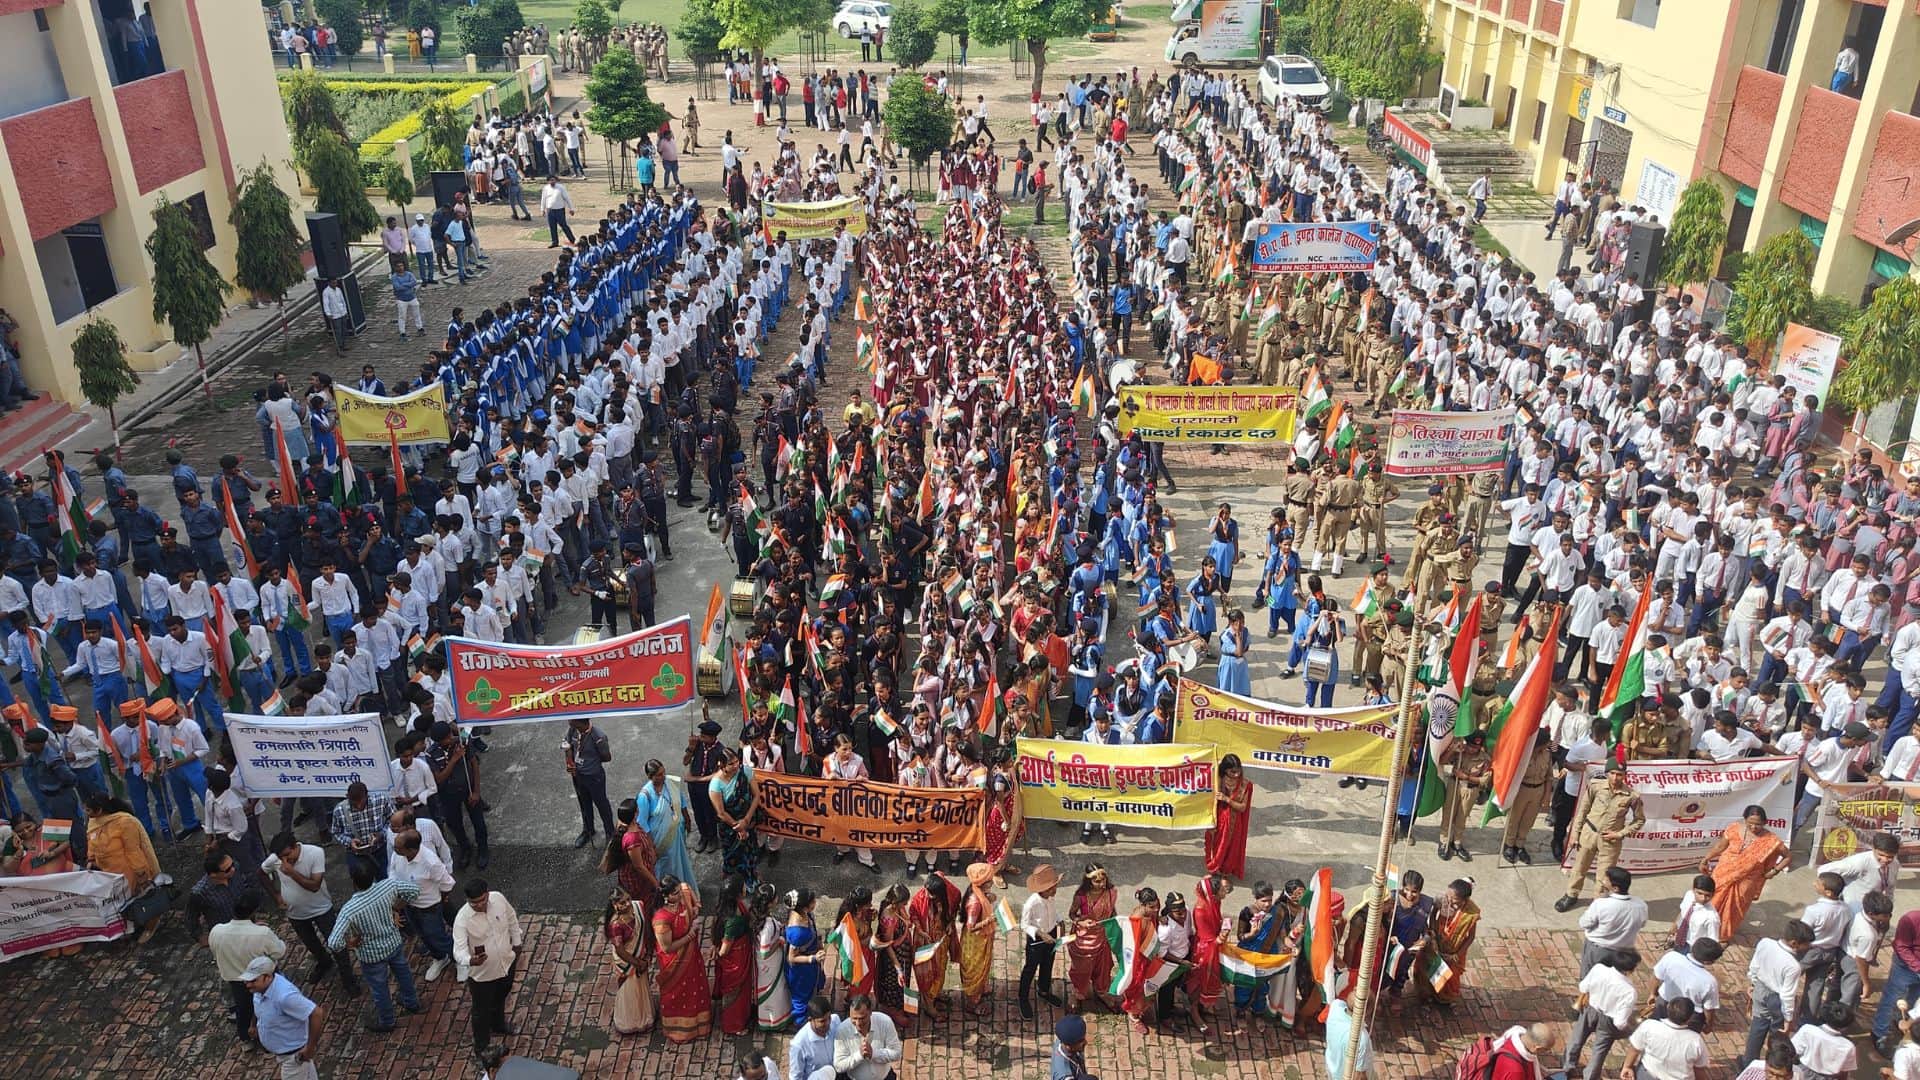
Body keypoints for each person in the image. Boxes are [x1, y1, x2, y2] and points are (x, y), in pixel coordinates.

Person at [326, 860, 424, 1033]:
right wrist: (396, 908)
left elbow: (334, 942)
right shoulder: (388, 886)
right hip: (393, 943)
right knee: (404, 974)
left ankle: (387, 1021)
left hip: (371, 955)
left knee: (380, 989)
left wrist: (349, 944)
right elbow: (414, 891)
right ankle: (412, 1002)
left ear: (353, 881)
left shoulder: (349, 909)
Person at [262, 830, 356, 994]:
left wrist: (291, 873)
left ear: (295, 846)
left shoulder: (315, 853)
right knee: (311, 943)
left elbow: (314, 886)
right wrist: (276, 895)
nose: (285, 860)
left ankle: (348, 977)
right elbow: (261, 872)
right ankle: (324, 962)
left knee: (336, 943)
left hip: (321, 908)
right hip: (295, 913)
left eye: (287, 855)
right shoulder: (276, 859)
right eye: (281, 857)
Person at [1554, 759, 1646, 911]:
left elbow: (1640, 820)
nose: (1615, 778)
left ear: (1625, 775)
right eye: (1612, 773)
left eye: (1619, 775)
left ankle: (1598, 903)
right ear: (1607, 773)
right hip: (1589, 833)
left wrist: (1620, 834)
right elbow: (1582, 812)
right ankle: (1571, 895)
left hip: (1610, 840)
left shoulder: (1632, 796)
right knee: (1579, 867)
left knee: (1604, 876)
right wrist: (1575, 835)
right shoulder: (1595, 786)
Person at [1697, 802, 1790, 939]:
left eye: (1758, 824)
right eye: (1750, 823)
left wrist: (1774, 871)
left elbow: (1788, 857)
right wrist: (1706, 859)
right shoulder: (1734, 829)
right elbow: (1720, 847)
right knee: (1713, 901)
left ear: (1765, 822)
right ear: (1744, 819)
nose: (1753, 827)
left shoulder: (1771, 840)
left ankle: (1723, 936)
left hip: (1747, 880)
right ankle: (1703, 929)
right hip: (1723, 874)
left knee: (1735, 907)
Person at [453, 879, 524, 1055]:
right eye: (473, 902)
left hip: (507, 963)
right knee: (481, 1011)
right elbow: (458, 950)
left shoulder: (498, 899)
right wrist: (470, 960)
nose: (479, 905)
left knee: (501, 996)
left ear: (487, 893)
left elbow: (511, 918)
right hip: (482, 976)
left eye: (482, 900)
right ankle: (482, 1046)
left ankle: (498, 1025)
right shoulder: (462, 920)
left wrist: (517, 942)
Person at [208, 892, 287, 1043]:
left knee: (242, 1008)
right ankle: (268, 1038)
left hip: (235, 979)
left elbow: (214, 950)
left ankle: (245, 1039)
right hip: (262, 979)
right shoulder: (262, 933)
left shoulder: (217, 931)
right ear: (254, 912)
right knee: (269, 1007)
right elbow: (279, 951)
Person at [83, 790, 161, 941]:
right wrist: (91, 860)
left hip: (128, 870)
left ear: (99, 810)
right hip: (109, 873)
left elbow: (133, 850)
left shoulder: (125, 822)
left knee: (140, 897)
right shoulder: (93, 822)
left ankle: (151, 924)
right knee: (122, 903)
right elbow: (91, 842)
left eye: (88, 810)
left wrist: (141, 873)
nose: (85, 813)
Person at [1563, 946, 1641, 1080]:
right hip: (1608, 1021)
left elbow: (1583, 987)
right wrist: (1629, 1029)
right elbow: (1619, 1022)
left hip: (1590, 1010)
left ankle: (1567, 1066)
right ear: (1630, 969)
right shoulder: (1629, 991)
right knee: (1599, 1052)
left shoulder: (1598, 969)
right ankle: (1590, 1076)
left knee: (1576, 1038)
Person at [244, 956, 326, 1080]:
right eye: (247, 980)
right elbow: (259, 1005)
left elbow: (317, 1013)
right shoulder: (258, 990)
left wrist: (310, 1048)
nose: (248, 985)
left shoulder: (285, 997)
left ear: (268, 977)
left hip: (294, 1057)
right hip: (283, 1055)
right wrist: (253, 1025)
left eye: (253, 980)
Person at [652, 875, 712, 1042]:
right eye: (675, 894)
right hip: (675, 961)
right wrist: (691, 934)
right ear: (666, 896)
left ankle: (700, 1023)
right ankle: (681, 1030)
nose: (679, 895)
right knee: (678, 992)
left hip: (691, 955)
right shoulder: (661, 920)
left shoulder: (683, 895)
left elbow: (688, 891)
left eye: (679, 891)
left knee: (695, 984)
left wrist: (694, 910)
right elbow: (667, 947)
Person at [637, 759, 697, 889]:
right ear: (650, 777)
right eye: (659, 775)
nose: (663, 777)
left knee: (679, 860)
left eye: (663, 772)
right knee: (666, 866)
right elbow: (642, 823)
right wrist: (651, 847)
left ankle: (684, 889)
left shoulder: (670, 783)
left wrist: (687, 818)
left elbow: (681, 800)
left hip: (676, 832)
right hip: (660, 840)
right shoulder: (645, 796)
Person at [908, 872, 959, 1021]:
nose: (927, 895)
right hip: (924, 943)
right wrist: (921, 931)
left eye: (931, 894)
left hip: (941, 941)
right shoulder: (919, 899)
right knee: (926, 975)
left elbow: (953, 910)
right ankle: (929, 1006)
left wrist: (950, 924)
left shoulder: (949, 894)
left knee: (941, 969)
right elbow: (914, 916)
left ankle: (936, 993)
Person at [605, 888, 654, 1036]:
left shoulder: (638, 906)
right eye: (622, 902)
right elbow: (620, 950)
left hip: (640, 955)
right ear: (615, 905)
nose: (627, 904)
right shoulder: (615, 926)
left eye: (628, 899)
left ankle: (645, 1016)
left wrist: (647, 954)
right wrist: (638, 963)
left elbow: (646, 929)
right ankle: (630, 1021)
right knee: (630, 990)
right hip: (627, 962)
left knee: (642, 986)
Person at [1019, 863, 1064, 1019]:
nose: (1054, 890)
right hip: (1036, 940)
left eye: (1055, 886)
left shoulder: (1050, 898)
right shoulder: (1031, 903)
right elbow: (1024, 924)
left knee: (1047, 964)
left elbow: (1053, 912)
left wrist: (1060, 922)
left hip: (1051, 935)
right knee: (1030, 968)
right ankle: (1023, 998)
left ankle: (1044, 991)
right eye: (1051, 888)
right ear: (1041, 889)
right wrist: (1040, 933)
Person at [710, 748, 761, 883]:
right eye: (731, 764)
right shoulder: (716, 784)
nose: (735, 766)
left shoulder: (746, 772)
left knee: (751, 852)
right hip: (730, 828)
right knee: (732, 856)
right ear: (722, 765)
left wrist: (746, 820)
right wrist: (738, 827)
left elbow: (756, 796)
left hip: (748, 821)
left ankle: (751, 877)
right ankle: (733, 884)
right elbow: (721, 813)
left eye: (736, 762)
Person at [1426, 877, 1481, 1005]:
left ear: (1464, 900)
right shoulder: (1442, 900)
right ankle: (1427, 994)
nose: (1449, 901)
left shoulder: (1471, 913)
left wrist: (1457, 955)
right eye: (1448, 896)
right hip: (1436, 944)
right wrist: (1433, 934)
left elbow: (1470, 937)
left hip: (1454, 952)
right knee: (1430, 971)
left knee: (1450, 977)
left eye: (1454, 900)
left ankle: (1445, 999)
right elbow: (1433, 915)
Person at [564, 715, 616, 848]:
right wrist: (570, 762)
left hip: (594, 777)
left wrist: (590, 763)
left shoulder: (598, 737)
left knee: (601, 804)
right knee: (584, 803)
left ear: (580, 721)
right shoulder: (572, 730)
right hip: (578, 775)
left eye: (572, 718)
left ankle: (610, 834)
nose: (568, 719)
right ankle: (588, 830)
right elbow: (568, 745)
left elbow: (606, 757)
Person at [832, 994, 902, 1080]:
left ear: (870, 1012)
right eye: (854, 1018)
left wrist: (874, 1054)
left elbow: (896, 1053)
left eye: (862, 1018)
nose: (858, 1023)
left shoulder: (885, 1022)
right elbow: (839, 1066)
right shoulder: (842, 1030)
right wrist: (859, 1056)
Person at [959, 863, 998, 1011]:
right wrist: (989, 920)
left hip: (983, 938)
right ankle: (972, 1002)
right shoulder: (974, 902)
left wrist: (988, 898)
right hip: (975, 941)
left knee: (984, 965)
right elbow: (971, 927)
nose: (992, 882)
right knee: (975, 968)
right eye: (989, 880)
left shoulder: (978, 892)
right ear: (983, 883)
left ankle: (981, 988)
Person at [1051, 1014, 1093, 1080]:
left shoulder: (1063, 1038)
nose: (1085, 1042)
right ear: (1068, 1046)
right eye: (1080, 1041)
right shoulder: (1064, 1075)